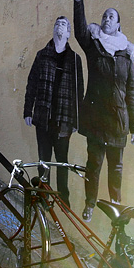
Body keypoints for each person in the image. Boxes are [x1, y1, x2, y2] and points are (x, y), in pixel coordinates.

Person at [73, 0, 134, 222]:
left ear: (119, 25)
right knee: (94, 165)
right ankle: (90, 204)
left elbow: (131, 91)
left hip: (118, 121)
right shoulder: (94, 45)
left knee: (117, 168)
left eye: (111, 16)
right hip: (97, 119)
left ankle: (115, 205)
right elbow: (80, 31)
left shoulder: (125, 53)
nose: (106, 19)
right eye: (104, 16)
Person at [23, 16, 84, 206]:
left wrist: (77, 121)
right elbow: (32, 82)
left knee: (62, 161)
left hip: (64, 119)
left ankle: (63, 199)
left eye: (64, 25)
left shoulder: (74, 59)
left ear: (68, 34)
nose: (59, 26)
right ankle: (44, 196)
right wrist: (28, 110)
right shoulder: (42, 55)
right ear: (53, 30)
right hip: (43, 116)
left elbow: (78, 92)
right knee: (44, 160)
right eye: (57, 24)